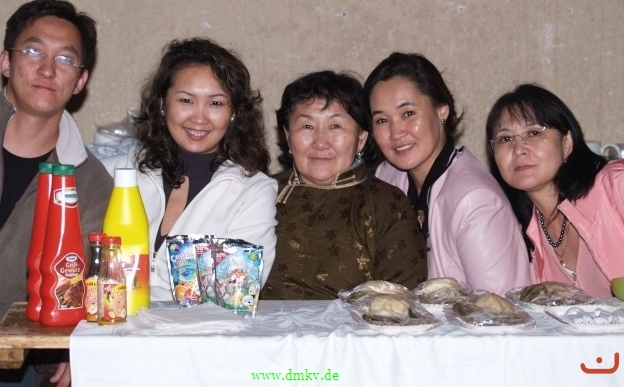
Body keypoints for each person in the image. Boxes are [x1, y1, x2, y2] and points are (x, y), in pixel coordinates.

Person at [0, 0, 114, 386]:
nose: (47, 69)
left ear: (80, 81)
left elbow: (90, 283)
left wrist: (83, 344)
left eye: (65, 59)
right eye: (33, 51)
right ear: (6, 62)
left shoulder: (90, 181)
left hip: (11, 353)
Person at [102, 38, 277, 301]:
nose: (199, 117)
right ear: (162, 104)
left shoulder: (253, 192)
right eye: (186, 100)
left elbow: (235, 294)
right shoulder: (113, 173)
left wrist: (138, 295)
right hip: (111, 324)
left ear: (233, 113)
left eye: (216, 103)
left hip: (201, 329)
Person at [363, 53, 530, 295]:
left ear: (441, 112)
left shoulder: (476, 201)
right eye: (381, 120)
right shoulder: (388, 176)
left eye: (408, 113)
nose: (396, 132)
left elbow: (499, 308)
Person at [262, 70, 427, 300]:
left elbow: (402, 300)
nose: (320, 142)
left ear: (361, 139)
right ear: (288, 136)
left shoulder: (387, 205)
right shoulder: (260, 193)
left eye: (335, 126)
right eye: (307, 126)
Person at [485, 83, 623, 297]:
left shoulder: (615, 185)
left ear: (567, 144)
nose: (519, 149)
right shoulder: (520, 232)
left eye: (533, 133)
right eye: (506, 139)